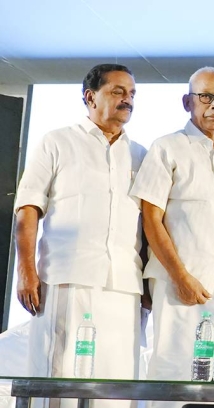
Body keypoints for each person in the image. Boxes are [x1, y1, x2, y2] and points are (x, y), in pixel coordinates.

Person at [15, 63, 145, 408]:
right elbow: (28, 208)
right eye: (117, 91)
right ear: (90, 97)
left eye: (132, 93)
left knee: (117, 388)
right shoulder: (57, 142)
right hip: (67, 280)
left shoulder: (140, 154)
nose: (127, 99)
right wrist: (26, 271)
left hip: (123, 287)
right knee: (59, 382)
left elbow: (147, 226)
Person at [130, 67, 214, 403]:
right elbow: (151, 219)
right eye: (206, 97)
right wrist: (180, 276)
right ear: (187, 102)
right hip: (181, 285)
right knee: (175, 375)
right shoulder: (166, 147)